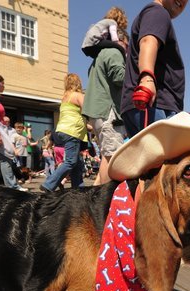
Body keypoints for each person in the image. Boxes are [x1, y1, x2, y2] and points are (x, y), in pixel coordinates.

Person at [120, 0, 189, 137]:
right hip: (153, 104)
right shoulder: (158, 12)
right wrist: (147, 78)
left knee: (149, 158)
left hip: (152, 105)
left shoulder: (156, 13)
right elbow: (148, 41)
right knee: (160, 158)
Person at [82, 29, 129, 185]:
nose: (127, 50)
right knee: (112, 159)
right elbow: (119, 77)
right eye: (127, 45)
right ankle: (106, 200)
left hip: (97, 112)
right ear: (119, 41)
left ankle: (97, 195)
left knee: (106, 155)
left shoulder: (99, 56)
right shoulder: (114, 52)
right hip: (107, 111)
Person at [40, 73, 89, 192]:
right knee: (71, 161)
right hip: (73, 131)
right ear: (78, 82)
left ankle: (78, 189)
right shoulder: (78, 95)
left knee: (76, 162)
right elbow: (88, 110)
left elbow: (71, 115)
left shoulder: (65, 97)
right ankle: (49, 184)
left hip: (62, 130)